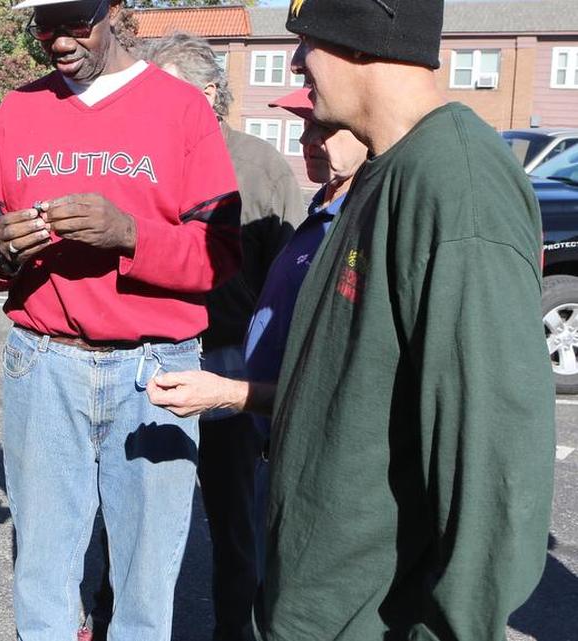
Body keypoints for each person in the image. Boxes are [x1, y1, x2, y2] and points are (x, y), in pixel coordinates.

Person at [165, 1, 553, 638]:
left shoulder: (458, 183)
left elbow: (494, 451)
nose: (296, 61)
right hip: (318, 602)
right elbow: (346, 385)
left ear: (365, 42)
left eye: (309, 41)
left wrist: (454, 625)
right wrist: (240, 395)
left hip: (372, 617)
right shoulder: (382, 171)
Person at [0, 1, 242, 639]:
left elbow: (222, 254)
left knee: (145, 579)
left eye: (72, 21)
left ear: (115, 12)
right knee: (42, 568)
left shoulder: (181, 108)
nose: (56, 39)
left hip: (154, 370)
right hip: (42, 358)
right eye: (42, 24)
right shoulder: (19, 109)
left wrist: (129, 235)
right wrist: (1, 251)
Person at [146, 86, 368, 584]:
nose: (308, 139)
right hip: (268, 416)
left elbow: (339, 373)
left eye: (323, 126)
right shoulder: (323, 209)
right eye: (305, 126)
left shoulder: (362, 225)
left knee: (259, 549)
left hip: (287, 424)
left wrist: (228, 391)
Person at [135, 33, 304, 641]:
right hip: (147, 356)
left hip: (229, 362)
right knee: (134, 516)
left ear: (209, 92)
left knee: (235, 520)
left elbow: (288, 278)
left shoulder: (258, 162)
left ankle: (235, 630)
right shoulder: (142, 156)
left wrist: (265, 383)